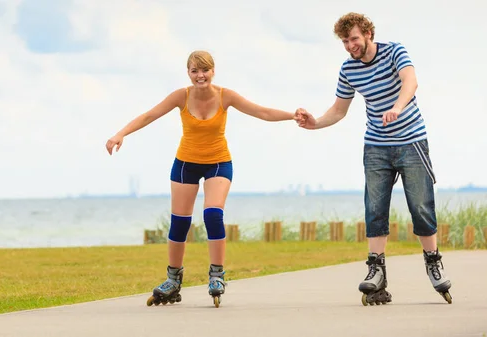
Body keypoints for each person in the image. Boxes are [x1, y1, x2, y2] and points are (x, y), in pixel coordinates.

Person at [106, 50, 295, 307]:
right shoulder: (181, 96)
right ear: (188, 73)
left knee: (213, 214)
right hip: (185, 164)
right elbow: (149, 115)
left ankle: (217, 274)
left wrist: (293, 115)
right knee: (179, 223)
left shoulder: (225, 96)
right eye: (194, 71)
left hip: (218, 163)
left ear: (213, 71)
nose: (200, 76)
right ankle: (173, 280)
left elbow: (261, 112)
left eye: (204, 70)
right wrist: (121, 134)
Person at [294, 12, 452, 305]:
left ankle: (432, 262)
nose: (350, 45)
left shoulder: (395, 51)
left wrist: (397, 107)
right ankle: (376, 271)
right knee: (375, 208)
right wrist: (314, 123)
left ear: (368, 33)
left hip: (411, 141)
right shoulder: (348, 69)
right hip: (376, 146)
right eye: (344, 41)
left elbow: (411, 82)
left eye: (353, 38)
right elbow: (339, 110)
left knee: (420, 205)